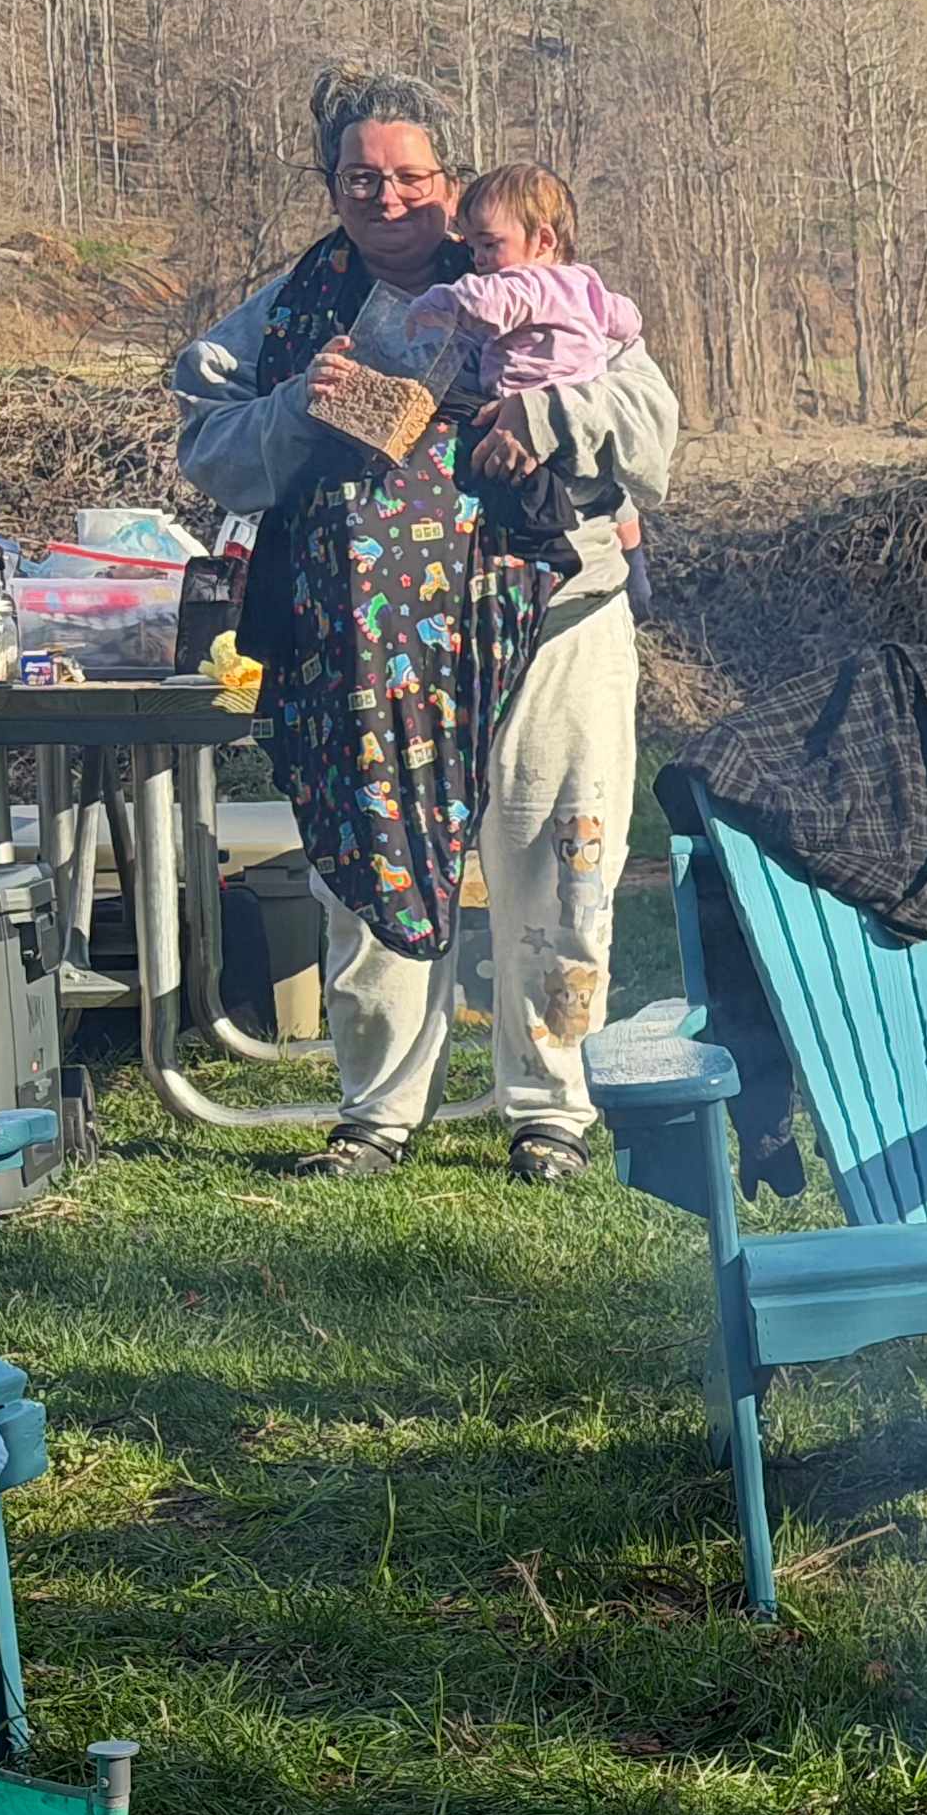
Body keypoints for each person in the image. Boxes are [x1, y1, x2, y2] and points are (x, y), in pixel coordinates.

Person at [171, 68, 677, 1185]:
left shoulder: (538, 280)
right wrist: (297, 406)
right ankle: (378, 1113)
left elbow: (651, 426)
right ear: (331, 185)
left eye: (411, 176)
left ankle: (549, 1111)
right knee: (375, 870)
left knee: (559, 864)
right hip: (368, 652)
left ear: (451, 181)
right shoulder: (290, 314)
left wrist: (541, 411)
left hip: (555, 619)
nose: (388, 198)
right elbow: (206, 442)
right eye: (361, 178)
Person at [401, 161, 648, 571]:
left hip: (531, 402)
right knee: (596, 493)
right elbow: (626, 319)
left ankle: (547, 553)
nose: (478, 259)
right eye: (472, 248)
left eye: (489, 244)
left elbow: (485, 305)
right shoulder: (585, 282)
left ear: (543, 240)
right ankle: (627, 554)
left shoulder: (524, 283)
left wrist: (432, 303)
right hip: (576, 405)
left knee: (521, 488)